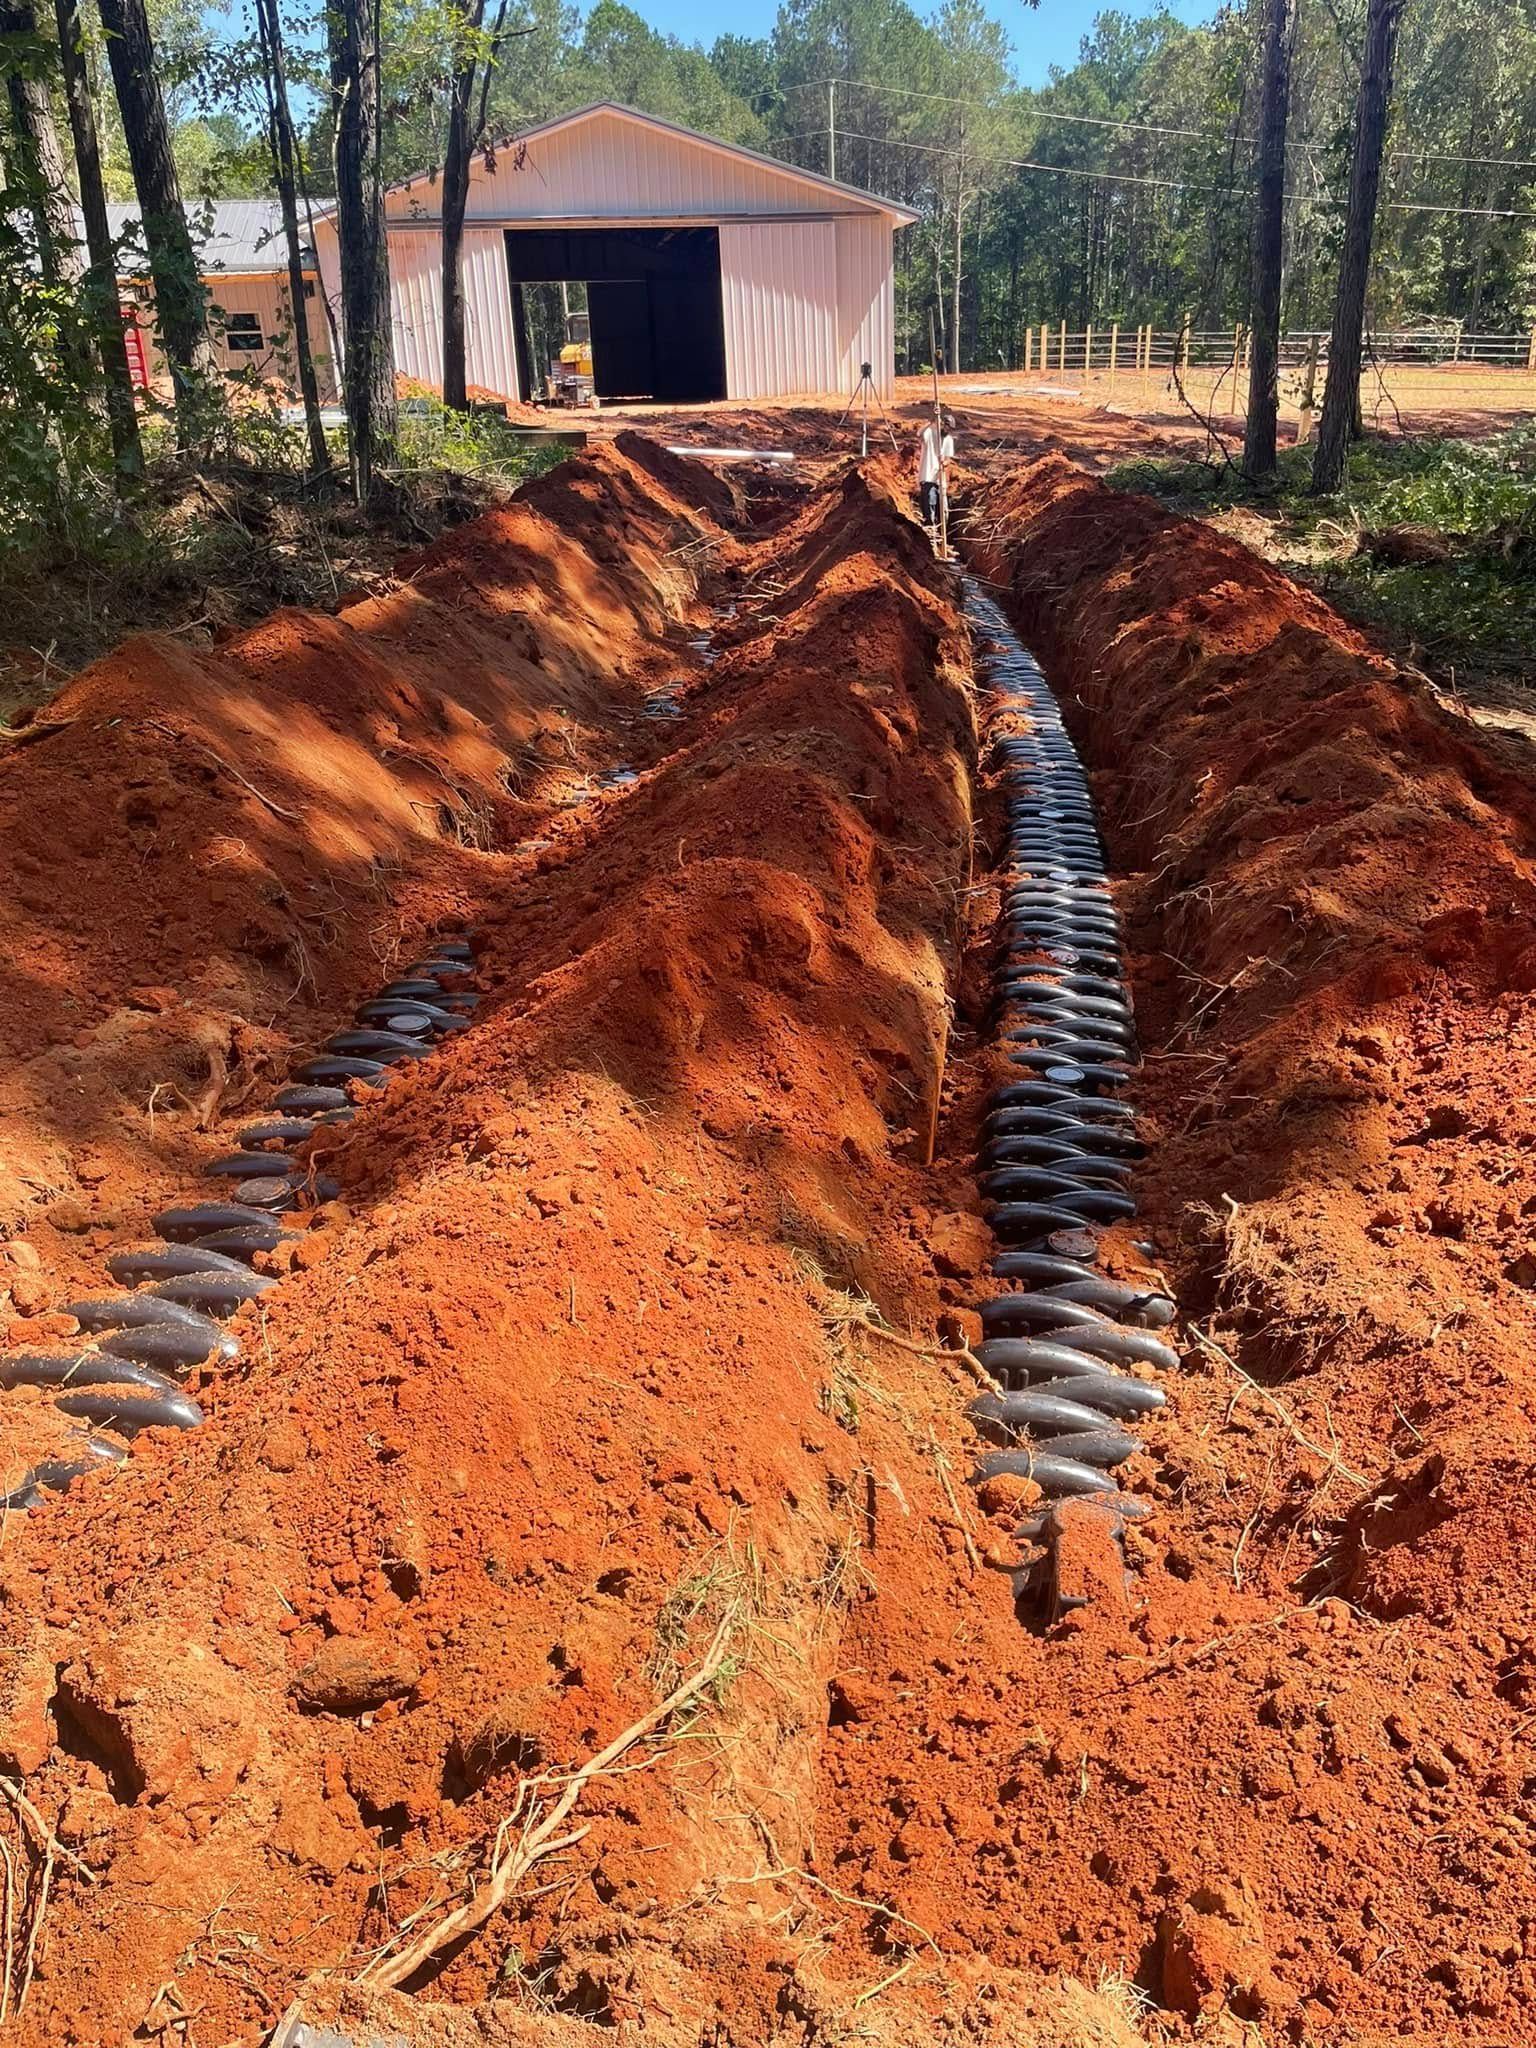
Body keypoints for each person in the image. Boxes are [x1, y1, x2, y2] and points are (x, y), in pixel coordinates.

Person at [917, 410, 956, 529]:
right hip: (928, 476)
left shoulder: (949, 439)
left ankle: (942, 534)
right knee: (930, 506)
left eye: (950, 429)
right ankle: (931, 533)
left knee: (943, 511)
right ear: (942, 424)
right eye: (946, 427)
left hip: (940, 478)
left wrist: (944, 463)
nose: (948, 430)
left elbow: (948, 458)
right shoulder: (930, 433)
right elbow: (919, 434)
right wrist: (931, 421)